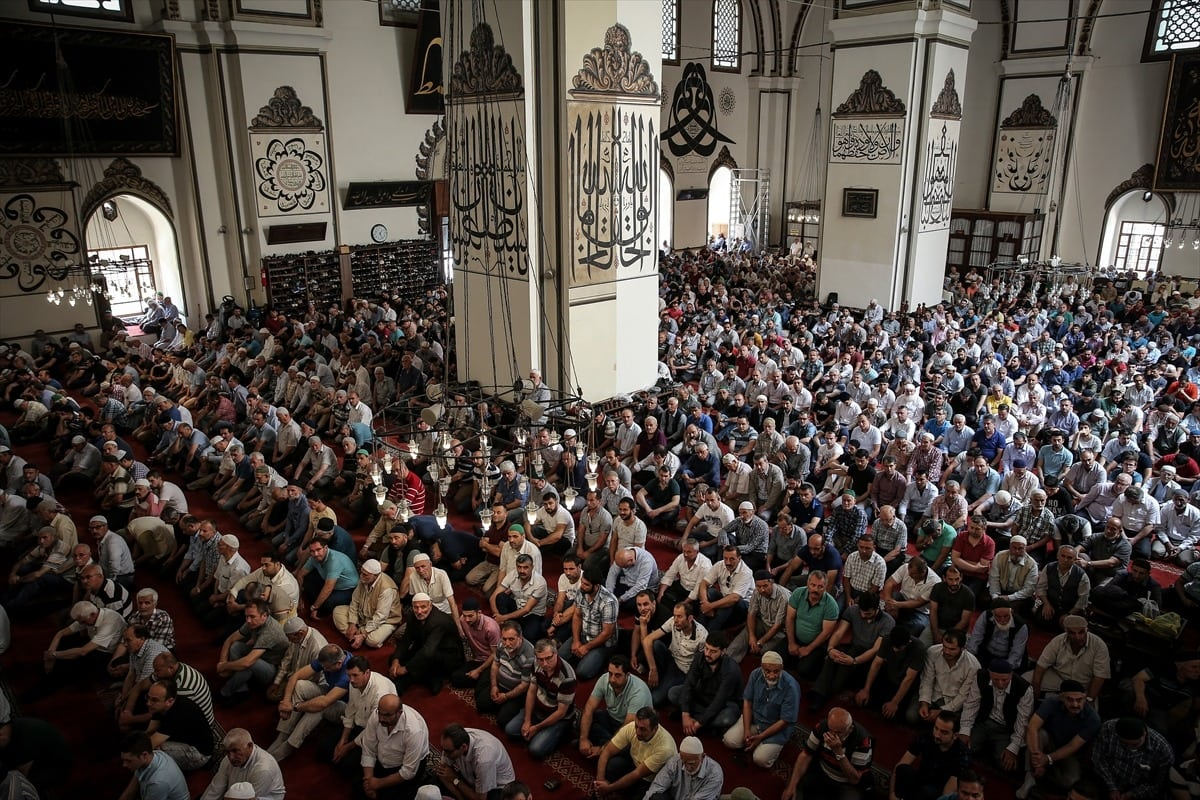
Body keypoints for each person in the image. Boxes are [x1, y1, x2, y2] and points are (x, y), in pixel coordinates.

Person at [1017, 680, 1101, 799]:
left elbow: (1072, 746)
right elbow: (1033, 727)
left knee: (1071, 781)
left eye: (1079, 700)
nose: (1075, 704)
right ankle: (1029, 776)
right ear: (1061, 698)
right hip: (1048, 742)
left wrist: (1047, 759)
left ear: (1085, 698)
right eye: (1070, 699)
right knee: (1039, 735)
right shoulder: (1051, 702)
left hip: (1070, 754)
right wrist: (1037, 760)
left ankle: (1043, 772)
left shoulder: (1093, 719)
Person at [267, 643, 352, 760]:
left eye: (327, 668)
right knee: (300, 685)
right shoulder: (328, 659)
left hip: (347, 709)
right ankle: (283, 734)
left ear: (339, 663)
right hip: (330, 691)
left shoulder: (348, 674)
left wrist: (294, 707)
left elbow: (324, 702)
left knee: (319, 707)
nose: (324, 669)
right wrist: (286, 702)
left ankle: (290, 745)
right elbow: (295, 676)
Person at [812, 592, 895, 709]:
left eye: (867, 613)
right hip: (853, 649)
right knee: (834, 656)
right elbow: (839, 633)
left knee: (844, 663)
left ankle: (826, 692)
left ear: (877, 609)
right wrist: (830, 649)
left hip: (869, 659)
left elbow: (875, 649)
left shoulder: (888, 622)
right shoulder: (853, 611)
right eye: (861, 611)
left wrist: (854, 661)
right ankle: (819, 694)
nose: (862, 615)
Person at [721, 649, 799, 767]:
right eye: (767, 671)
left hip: (775, 729)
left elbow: (784, 721)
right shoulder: (755, 674)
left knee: (760, 760)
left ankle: (763, 743)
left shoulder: (791, 687)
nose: (772, 676)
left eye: (776, 671)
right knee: (729, 741)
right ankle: (755, 740)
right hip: (755, 721)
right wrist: (747, 729)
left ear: (782, 667)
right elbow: (747, 701)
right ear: (761, 667)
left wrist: (761, 737)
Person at [504, 638, 576, 759]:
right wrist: (527, 720)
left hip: (558, 718)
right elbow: (532, 691)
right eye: (540, 659)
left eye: (548, 658)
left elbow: (560, 712)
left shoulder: (568, 678)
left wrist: (536, 728)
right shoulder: (535, 663)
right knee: (510, 730)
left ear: (556, 653)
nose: (545, 664)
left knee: (535, 750)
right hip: (539, 709)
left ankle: (561, 733)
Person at [781, 707, 874, 800]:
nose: (833, 735)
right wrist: (791, 786)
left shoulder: (862, 740)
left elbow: (854, 779)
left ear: (850, 729)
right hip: (822, 772)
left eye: (838, 732)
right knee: (794, 786)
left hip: (846, 784)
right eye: (831, 730)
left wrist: (839, 753)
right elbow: (806, 754)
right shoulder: (822, 726)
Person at [959, 659, 1034, 773]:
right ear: (990, 674)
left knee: (1006, 765)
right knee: (961, 748)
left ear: (1011, 675)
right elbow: (971, 705)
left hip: (1005, 729)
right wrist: (964, 731)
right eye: (996, 680)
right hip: (983, 722)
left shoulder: (1024, 689)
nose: (1000, 684)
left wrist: (1013, 748)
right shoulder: (981, 677)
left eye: (1004, 680)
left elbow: (1022, 721)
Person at [357, 695, 431, 800]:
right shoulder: (376, 715)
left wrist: (378, 784)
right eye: (380, 713)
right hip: (383, 758)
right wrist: (369, 782)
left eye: (387, 715)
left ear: (399, 713)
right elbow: (368, 748)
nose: (381, 719)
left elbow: (408, 771)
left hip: (403, 766)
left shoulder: (414, 731)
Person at [389, 593, 464, 696]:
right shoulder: (412, 615)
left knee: (421, 663)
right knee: (393, 659)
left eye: (423, 607)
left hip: (447, 655)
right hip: (427, 645)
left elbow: (428, 652)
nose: (419, 611)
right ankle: (428, 677)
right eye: (416, 607)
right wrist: (396, 660)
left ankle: (399, 687)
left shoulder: (439, 621)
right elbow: (406, 639)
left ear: (430, 605)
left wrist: (406, 669)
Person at [594, 706, 678, 797]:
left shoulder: (665, 749)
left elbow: (637, 774)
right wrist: (600, 781)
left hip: (651, 779)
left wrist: (609, 788)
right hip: (636, 764)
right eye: (636, 726)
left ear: (655, 729)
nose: (637, 732)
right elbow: (607, 751)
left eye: (643, 729)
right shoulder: (632, 727)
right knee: (612, 765)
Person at [578, 654, 653, 756]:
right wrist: (583, 739)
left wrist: (602, 750)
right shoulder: (604, 679)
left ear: (627, 675)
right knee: (581, 719)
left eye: (617, 675)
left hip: (632, 730)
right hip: (611, 719)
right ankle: (598, 745)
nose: (612, 679)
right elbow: (589, 708)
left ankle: (602, 748)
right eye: (610, 674)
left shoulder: (639, 693)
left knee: (614, 765)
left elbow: (625, 729)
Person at [217, 600, 289, 703]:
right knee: (236, 646)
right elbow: (230, 639)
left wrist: (224, 666)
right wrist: (222, 662)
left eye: (252, 616)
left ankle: (225, 692)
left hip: (271, 668)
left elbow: (247, 662)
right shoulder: (252, 622)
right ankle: (242, 688)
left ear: (264, 615)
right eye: (246, 616)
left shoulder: (271, 631)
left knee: (249, 664)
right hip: (260, 655)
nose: (248, 620)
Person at [671, 633, 742, 737]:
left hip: (724, 704)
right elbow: (689, 684)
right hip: (703, 697)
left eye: (713, 651)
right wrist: (685, 714)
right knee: (673, 693)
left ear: (723, 652)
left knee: (726, 718)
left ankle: (700, 721)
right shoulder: (700, 657)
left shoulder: (730, 670)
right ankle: (703, 722)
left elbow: (719, 701)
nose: (708, 654)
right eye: (706, 648)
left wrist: (697, 725)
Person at [889, 711, 971, 800]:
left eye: (944, 732)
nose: (937, 735)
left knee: (927, 792)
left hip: (936, 793)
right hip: (920, 780)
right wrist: (892, 794)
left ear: (955, 735)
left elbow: (948, 792)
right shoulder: (926, 737)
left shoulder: (961, 753)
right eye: (936, 728)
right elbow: (902, 763)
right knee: (903, 769)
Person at [641, 600, 708, 707]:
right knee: (656, 645)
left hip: (683, 669)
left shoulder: (702, 636)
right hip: (671, 658)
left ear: (690, 618)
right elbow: (647, 640)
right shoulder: (673, 621)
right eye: (674, 616)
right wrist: (652, 669)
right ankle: (658, 676)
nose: (675, 620)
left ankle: (666, 686)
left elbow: (702, 663)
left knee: (655, 700)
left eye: (679, 617)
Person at [1089, 717, 1173, 800]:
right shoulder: (1108, 729)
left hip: (1139, 789)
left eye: (1135, 745)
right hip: (1107, 778)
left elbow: (1158, 783)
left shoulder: (1162, 750)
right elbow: (1098, 759)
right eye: (1124, 744)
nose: (1130, 748)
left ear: (1145, 733)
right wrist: (1112, 787)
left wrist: (1131, 794)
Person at [1029, 614, 1110, 699]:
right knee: (1026, 680)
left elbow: (1099, 677)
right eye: (1072, 633)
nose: (1078, 637)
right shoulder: (1058, 640)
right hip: (1059, 677)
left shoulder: (1099, 646)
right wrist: (1036, 689)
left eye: (1081, 632)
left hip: (1083, 685)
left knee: (1089, 710)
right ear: (1066, 632)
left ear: (1087, 630)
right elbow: (1041, 665)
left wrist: (1090, 699)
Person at [144, 679, 214, 772]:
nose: (148, 703)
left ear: (169, 701)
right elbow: (150, 730)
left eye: (154, 700)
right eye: (148, 697)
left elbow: (149, 745)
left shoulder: (178, 713)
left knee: (152, 752)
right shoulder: (160, 705)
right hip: (183, 738)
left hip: (199, 752)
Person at [913, 629, 980, 726]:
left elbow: (963, 696)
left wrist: (941, 711)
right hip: (933, 696)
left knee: (947, 725)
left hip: (953, 703)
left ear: (963, 648)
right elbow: (927, 680)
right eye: (945, 647)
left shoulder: (973, 666)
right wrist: (924, 703)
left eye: (952, 649)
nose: (947, 651)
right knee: (912, 716)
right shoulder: (932, 652)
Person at [200, 728, 286, 800]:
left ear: (250, 746)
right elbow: (215, 789)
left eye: (235, 751)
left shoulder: (264, 769)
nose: (231, 757)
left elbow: (249, 799)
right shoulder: (227, 759)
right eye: (227, 752)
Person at [333, 559, 402, 649]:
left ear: (375, 576)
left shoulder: (387, 589)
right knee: (338, 611)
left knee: (373, 640)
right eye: (361, 572)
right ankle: (356, 634)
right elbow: (355, 602)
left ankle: (357, 635)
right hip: (364, 616)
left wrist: (364, 634)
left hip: (385, 621)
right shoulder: (364, 580)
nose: (361, 576)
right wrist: (352, 623)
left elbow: (380, 616)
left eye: (365, 575)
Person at [479, 621, 535, 730]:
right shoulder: (501, 644)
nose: (507, 643)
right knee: (481, 704)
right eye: (504, 639)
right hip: (500, 684)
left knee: (502, 720)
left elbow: (524, 685)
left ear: (520, 637)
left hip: (515, 692)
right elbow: (495, 664)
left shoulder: (529, 656)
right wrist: (494, 686)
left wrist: (506, 696)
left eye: (511, 639)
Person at [436, 724, 515, 800]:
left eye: (448, 751)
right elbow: (442, 772)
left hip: (497, 786)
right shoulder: (455, 741)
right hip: (473, 776)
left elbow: (480, 798)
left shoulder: (484, 759)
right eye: (443, 749)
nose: (445, 754)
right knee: (438, 778)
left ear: (463, 747)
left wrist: (455, 779)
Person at [785, 570, 840, 679]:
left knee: (804, 670)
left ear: (825, 587)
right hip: (795, 638)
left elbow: (826, 633)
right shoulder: (798, 593)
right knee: (776, 657)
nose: (815, 589)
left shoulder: (831, 605)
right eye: (813, 585)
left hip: (816, 645)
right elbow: (789, 618)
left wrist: (808, 649)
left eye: (820, 586)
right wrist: (791, 642)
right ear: (807, 584)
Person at [726, 569, 790, 662]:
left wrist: (760, 642)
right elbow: (751, 614)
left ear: (772, 582)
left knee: (762, 650)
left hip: (779, 632)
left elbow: (777, 626)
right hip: (763, 622)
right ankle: (728, 660)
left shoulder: (783, 597)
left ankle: (754, 647)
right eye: (759, 586)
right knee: (745, 634)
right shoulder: (757, 592)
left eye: (765, 586)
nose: (762, 590)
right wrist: (752, 636)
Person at [644, 736, 723, 800]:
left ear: (703, 757)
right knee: (656, 797)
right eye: (684, 762)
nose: (687, 767)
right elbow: (658, 786)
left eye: (691, 763)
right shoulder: (675, 761)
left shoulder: (714, 774)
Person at [119, 732, 189, 800]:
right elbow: (130, 792)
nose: (124, 765)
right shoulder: (153, 755)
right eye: (123, 760)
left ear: (144, 755)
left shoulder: (158, 782)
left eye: (128, 761)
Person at [1032, 545, 1090, 628]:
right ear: (1057, 556)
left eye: (1069, 558)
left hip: (1071, 608)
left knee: (1070, 626)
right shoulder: (1049, 567)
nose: (1065, 560)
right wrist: (1046, 604)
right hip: (1052, 604)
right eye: (1063, 556)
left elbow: (1083, 599)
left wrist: (1069, 614)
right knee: (1039, 621)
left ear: (1074, 560)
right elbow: (1041, 588)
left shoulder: (1081, 575)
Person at [966, 601, 1029, 670]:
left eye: (1006, 616)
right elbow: (975, 639)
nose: (1003, 620)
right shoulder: (986, 616)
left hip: (1006, 658)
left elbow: (1016, 654)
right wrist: (969, 659)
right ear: (993, 614)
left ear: (1011, 612)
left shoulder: (1021, 626)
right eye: (998, 616)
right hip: (986, 653)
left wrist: (1004, 669)